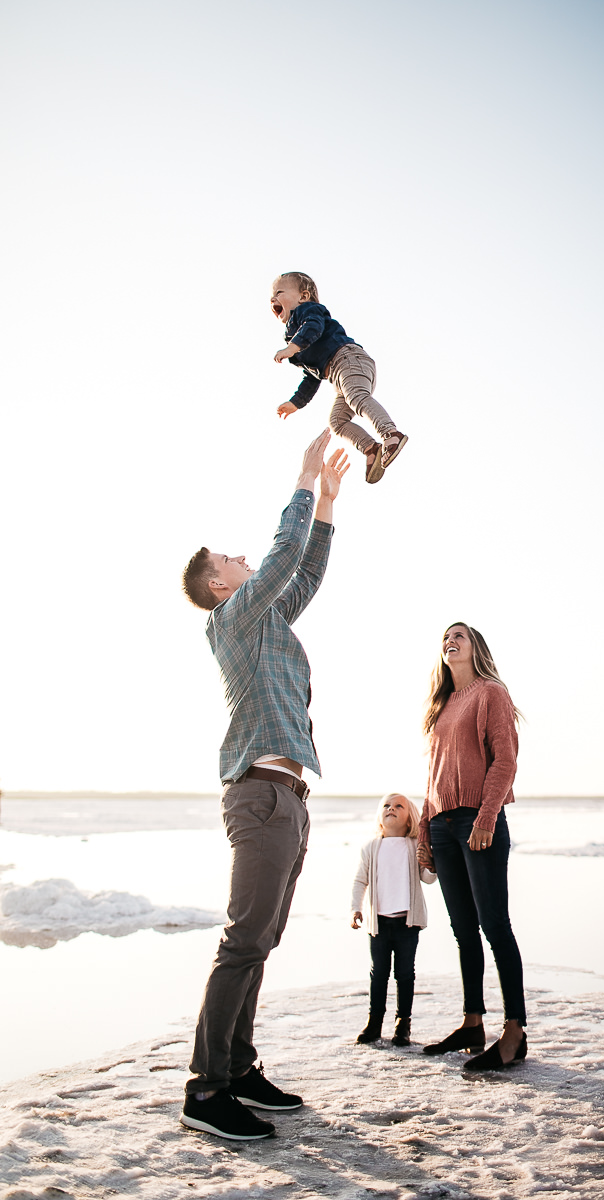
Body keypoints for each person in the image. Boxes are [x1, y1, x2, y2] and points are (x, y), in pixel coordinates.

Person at [179, 430, 349, 1140]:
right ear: (220, 585)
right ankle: (205, 1089)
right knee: (242, 939)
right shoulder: (232, 617)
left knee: (262, 939)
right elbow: (279, 562)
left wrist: (329, 508)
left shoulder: (264, 618)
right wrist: (303, 479)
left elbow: (299, 577)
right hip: (257, 793)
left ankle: (240, 1068)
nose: (243, 560)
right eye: (231, 559)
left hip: (289, 797)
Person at [416, 623, 527, 1072]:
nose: (450, 640)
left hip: (477, 820)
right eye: (445, 636)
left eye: (459, 635)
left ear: (475, 646)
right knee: (463, 929)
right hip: (442, 824)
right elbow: (434, 774)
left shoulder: (490, 693)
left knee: (494, 926)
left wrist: (485, 817)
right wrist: (425, 829)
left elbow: (506, 759)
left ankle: (515, 1032)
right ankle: (472, 1022)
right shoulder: (441, 706)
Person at [271, 271, 407, 485]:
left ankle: (391, 434)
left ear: (303, 296)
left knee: (356, 397)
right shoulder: (295, 337)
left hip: (348, 359)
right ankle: (372, 449)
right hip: (339, 376)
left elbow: (313, 326)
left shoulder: (308, 311)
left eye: (279, 293)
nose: (273, 299)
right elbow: (312, 377)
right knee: (337, 422)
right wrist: (295, 403)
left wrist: (293, 347)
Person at [350, 794, 437, 1047]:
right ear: (380, 815)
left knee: (405, 974)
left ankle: (403, 1024)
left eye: (399, 806)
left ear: (410, 816)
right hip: (378, 923)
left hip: (407, 924)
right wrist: (355, 908)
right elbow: (360, 881)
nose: (391, 809)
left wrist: (430, 863)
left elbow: (428, 878)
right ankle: (374, 1023)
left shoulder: (414, 845)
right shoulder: (371, 847)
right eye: (386, 805)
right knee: (378, 975)